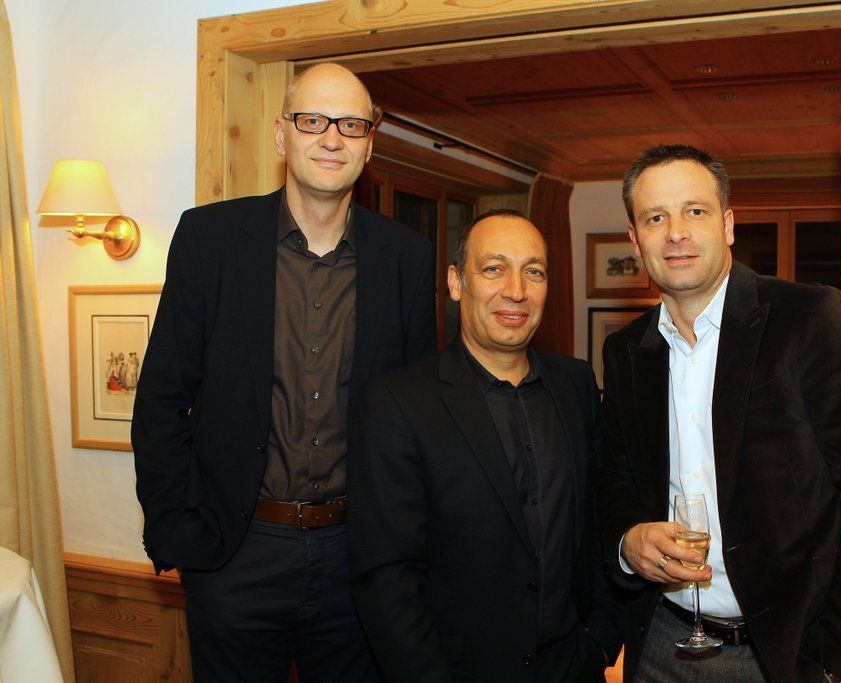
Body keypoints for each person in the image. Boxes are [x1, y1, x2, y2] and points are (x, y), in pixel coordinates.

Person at [131, 63, 436, 682]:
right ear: (281, 135)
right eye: (312, 121)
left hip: (358, 559)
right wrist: (178, 529)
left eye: (351, 125)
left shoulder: (405, 257)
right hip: (235, 555)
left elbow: (418, 417)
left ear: (370, 145)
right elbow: (162, 398)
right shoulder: (209, 239)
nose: (332, 138)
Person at [597, 145, 841, 683]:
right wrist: (628, 540)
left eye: (694, 211)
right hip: (660, 645)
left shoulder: (810, 320)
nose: (676, 232)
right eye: (655, 218)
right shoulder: (626, 350)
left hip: (787, 656)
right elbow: (615, 479)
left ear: (727, 225)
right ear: (635, 239)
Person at [349, 210, 623, 682]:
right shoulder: (399, 401)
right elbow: (386, 576)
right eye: (494, 268)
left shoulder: (576, 384)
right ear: (456, 282)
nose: (516, 290)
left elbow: (599, 519)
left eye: (534, 271)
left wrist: (600, 639)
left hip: (572, 665)